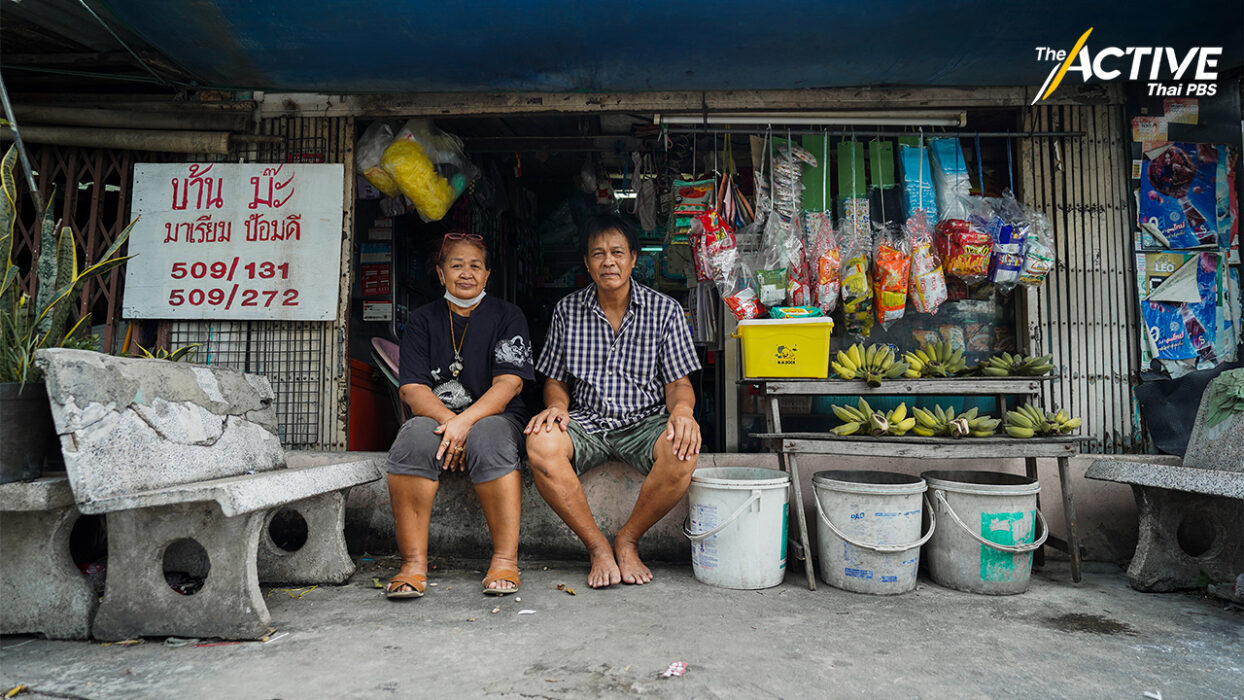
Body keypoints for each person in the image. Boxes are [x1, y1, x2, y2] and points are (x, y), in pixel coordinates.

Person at [525, 213, 702, 589]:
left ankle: (628, 539)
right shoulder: (567, 310)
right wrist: (557, 407)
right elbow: (556, 380)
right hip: (587, 421)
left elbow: (678, 384)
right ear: (587, 263)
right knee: (540, 443)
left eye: (618, 252)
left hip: (645, 423)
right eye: (598, 254)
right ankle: (597, 547)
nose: (609, 261)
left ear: (634, 258)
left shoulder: (665, 311)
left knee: (683, 451)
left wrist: (683, 413)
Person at [384, 232, 534, 599]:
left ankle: (505, 560)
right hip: (437, 418)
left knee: (489, 436)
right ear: (440, 273)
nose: (466, 273)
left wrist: (464, 422)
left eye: (475, 266)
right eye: (456, 265)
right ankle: (413, 564)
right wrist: (450, 423)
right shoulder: (422, 320)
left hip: (497, 417)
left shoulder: (507, 316)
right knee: (412, 439)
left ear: (487, 275)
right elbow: (412, 389)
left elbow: (509, 384)